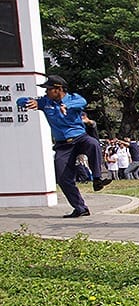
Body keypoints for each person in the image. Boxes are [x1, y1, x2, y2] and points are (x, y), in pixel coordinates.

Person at [19, 75, 111, 217]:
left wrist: (67, 106)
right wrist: (28, 102)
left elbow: (82, 102)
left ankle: (97, 179)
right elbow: (20, 101)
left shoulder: (74, 98)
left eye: (48, 89)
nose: (46, 92)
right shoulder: (46, 102)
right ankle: (80, 208)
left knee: (93, 143)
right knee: (63, 178)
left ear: (58, 89)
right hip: (63, 145)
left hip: (80, 138)